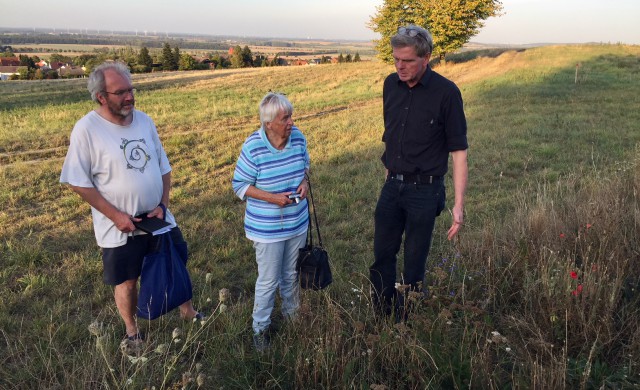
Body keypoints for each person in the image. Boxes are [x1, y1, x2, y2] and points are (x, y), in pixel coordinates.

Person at [60, 61, 203, 342]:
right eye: (120, 92)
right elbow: (78, 181)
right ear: (101, 96)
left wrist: (163, 205)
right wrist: (115, 216)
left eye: (131, 89)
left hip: (158, 217)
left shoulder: (144, 120)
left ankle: (187, 310)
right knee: (127, 280)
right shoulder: (87, 129)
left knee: (175, 261)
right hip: (120, 227)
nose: (129, 97)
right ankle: (132, 331)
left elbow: (164, 167)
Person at [369, 25, 469, 319]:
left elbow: (459, 152)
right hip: (392, 187)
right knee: (382, 256)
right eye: (396, 59)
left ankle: (407, 322)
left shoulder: (447, 93)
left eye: (408, 60)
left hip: (425, 192)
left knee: (414, 264)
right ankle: (383, 317)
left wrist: (459, 204)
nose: (400, 66)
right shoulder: (390, 85)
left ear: (426, 58)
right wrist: (389, 173)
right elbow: (392, 134)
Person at [232, 92, 310, 351]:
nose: (291, 122)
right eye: (285, 118)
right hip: (267, 229)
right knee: (268, 280)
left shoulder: (298, 137)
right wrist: (272, 198)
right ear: (268, 123)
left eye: (290, 116)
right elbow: (240, 186)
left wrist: (304, 183)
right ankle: (260, 330)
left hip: (297, 222)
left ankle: (294, 319)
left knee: (291, 275)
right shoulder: (253, 146)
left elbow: (306, 166)